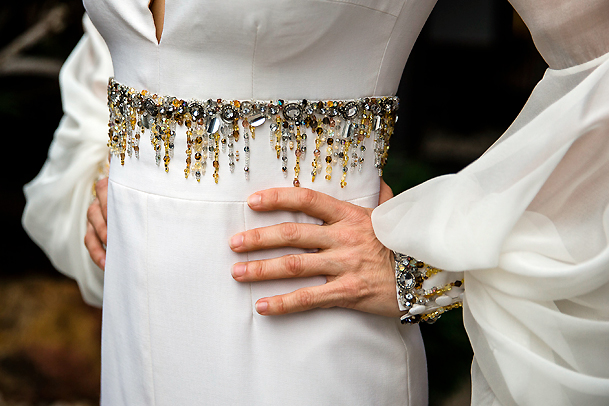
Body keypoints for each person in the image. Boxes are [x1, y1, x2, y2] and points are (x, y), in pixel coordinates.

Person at [22, 0, 609, 405]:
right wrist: (119, 167)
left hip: (310, 333)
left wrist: (437, 268)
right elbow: (131, 52)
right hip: (136, 333)